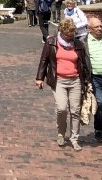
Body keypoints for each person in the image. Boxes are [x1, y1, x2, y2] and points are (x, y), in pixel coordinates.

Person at [36, 19, 91, 150]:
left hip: (75, 80)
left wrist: (87, 81)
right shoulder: (51, 42)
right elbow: (44, 60)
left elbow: (84, 63)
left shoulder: (79, 44)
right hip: (59, 80)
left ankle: (74, 138)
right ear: (61, 31)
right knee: (61, 108)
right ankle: (61, 133)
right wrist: (39, 78)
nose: (70, 37)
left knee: (75, 110)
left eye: (72, 34)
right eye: (68, 35)